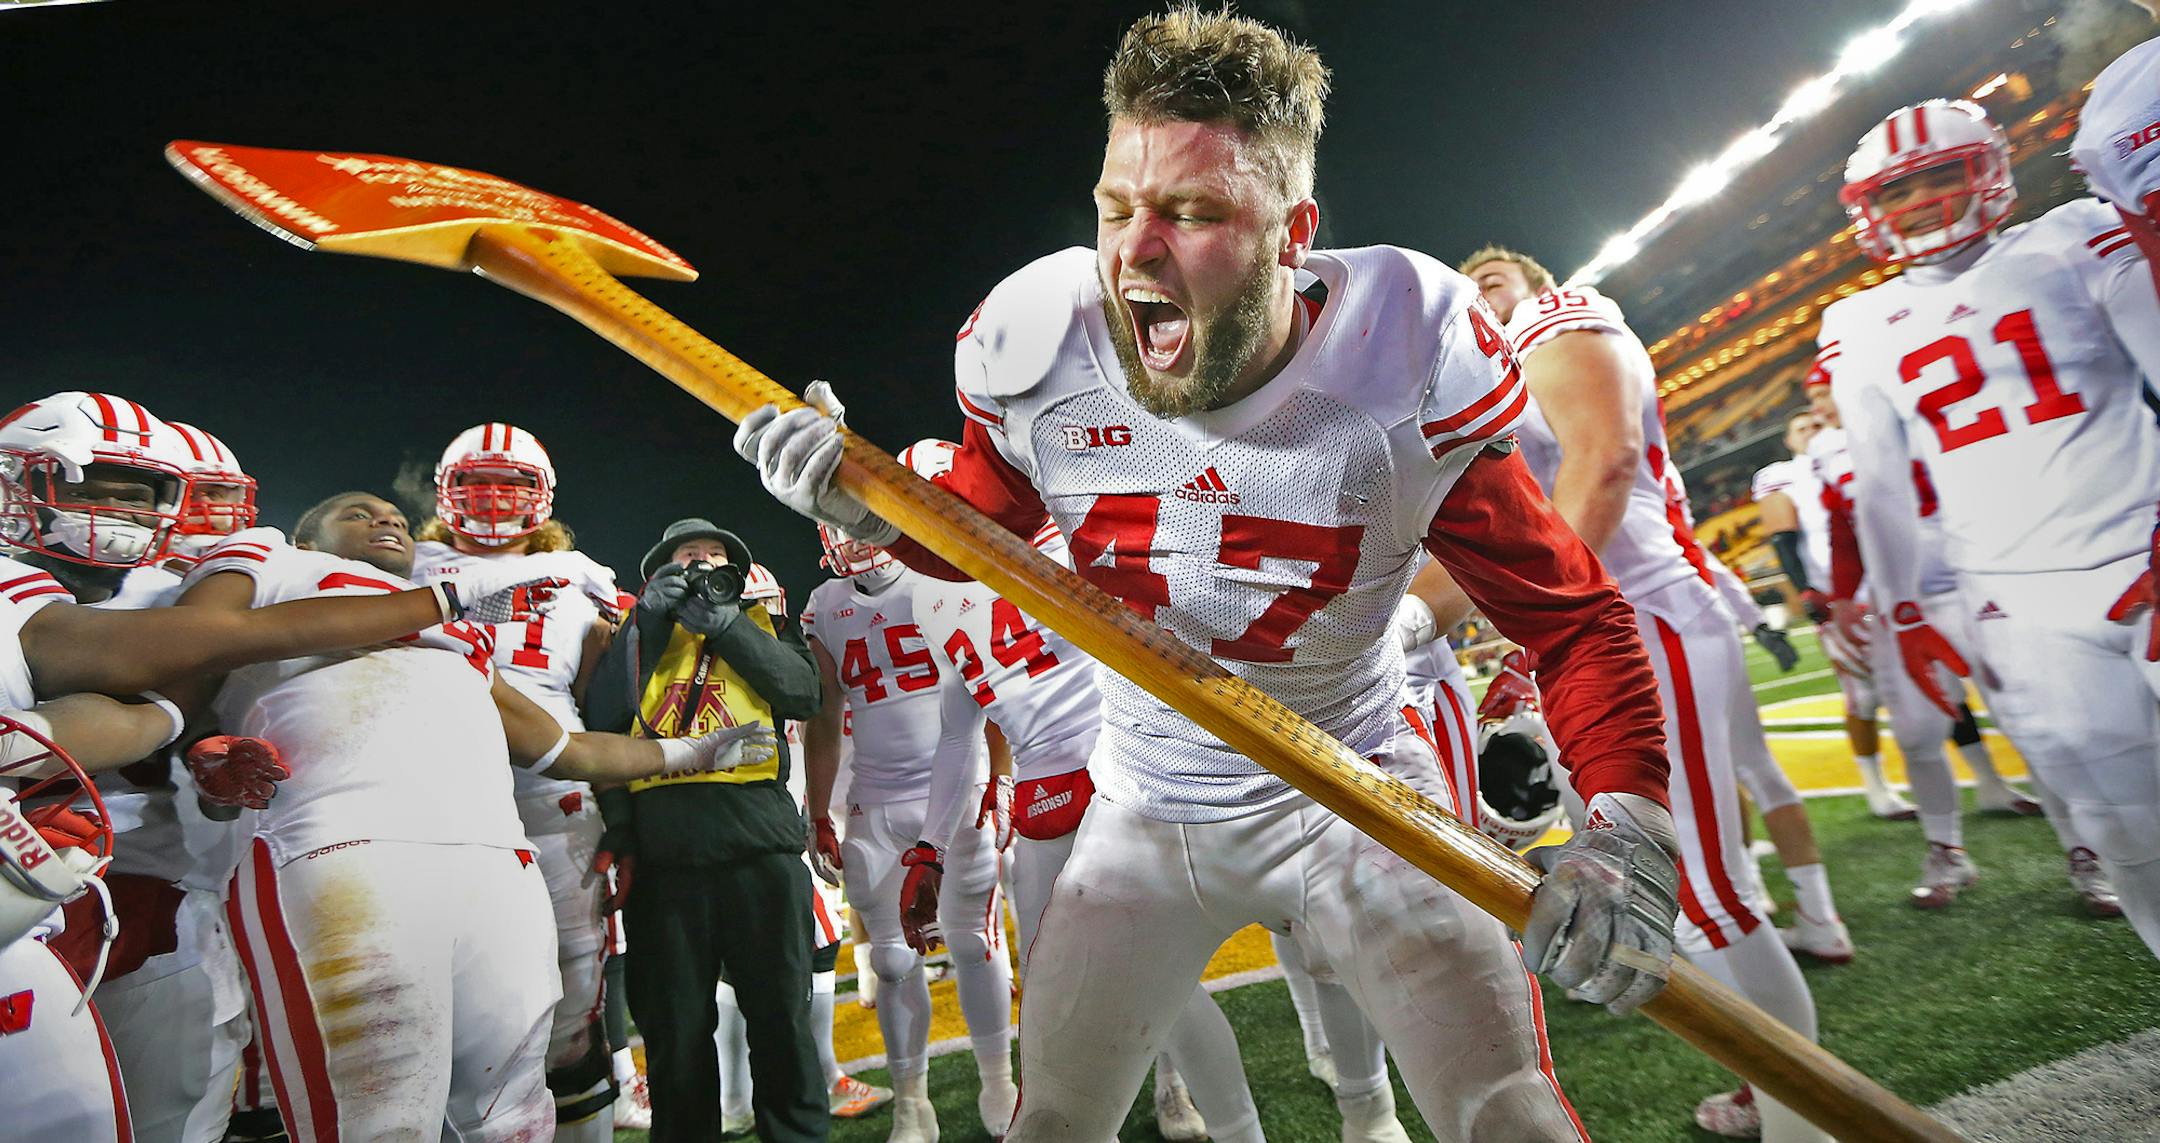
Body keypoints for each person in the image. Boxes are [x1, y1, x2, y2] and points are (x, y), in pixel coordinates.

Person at [739, 9, 1679, 1138]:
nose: (1136, 251)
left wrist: (1627, 831)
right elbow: (981, 529)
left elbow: (1573, 620)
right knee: (1052, 1125)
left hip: (1363, 787)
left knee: (1505, 1113)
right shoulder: (1039, 342)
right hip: (1144, 803)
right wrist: (872, 510)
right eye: (1117, 209)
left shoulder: (1402, 351)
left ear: (1294, 231)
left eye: (1191, 213)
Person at [168, 495, 769, 1143]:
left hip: (496, 864)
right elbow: (183, 649)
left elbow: (565, 749)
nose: (388, 520)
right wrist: (199, 739)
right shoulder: (274, 561)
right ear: (308, 540)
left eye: (396, 516)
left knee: (513, 1111)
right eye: (359, 513)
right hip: (346, 852)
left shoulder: (458, 626)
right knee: (378, 1118)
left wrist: (694, 750)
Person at [1459, 246, 1825, 1142]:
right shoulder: (1485, 372)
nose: (1481, 295)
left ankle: (1804, 1118)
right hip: (1608, 626)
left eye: (1496, 281)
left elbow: (1610, 458)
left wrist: (1536, 624)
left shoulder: (1562, 318)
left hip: (1636, 620)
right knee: (1658, 883)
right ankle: (1767, 1085)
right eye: (1469, 288)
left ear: (1537, 288)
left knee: (1701, 888)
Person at [1824, 99, 2160, 953]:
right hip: (2018, 600)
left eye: (1941, 174)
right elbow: (1884, 489)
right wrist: (1902, 612)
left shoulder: (2077, 236)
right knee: (2130, 834)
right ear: (1871, 210)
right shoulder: (1857, 324)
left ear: (1990, 170)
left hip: (2141, 548)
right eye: (1900, 190)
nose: (1924, 202)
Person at [896, 439, 1283, 1141]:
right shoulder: (925, 596)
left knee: (1159, 978)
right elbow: (960, 729)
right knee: (1062, 989)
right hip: (1043, 797)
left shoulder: (1057, 528)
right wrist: (931, 844)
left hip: (1121, 767)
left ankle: (1212, 1113)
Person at [409, 422, 626, 1141]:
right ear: (448, 491)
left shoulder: (580, 580)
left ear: (543, 496)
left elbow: (607, 702)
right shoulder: (403, 566)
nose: (495, 499)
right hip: (432, 802)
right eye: (478, 483)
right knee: (438, 996)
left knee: (570, 999)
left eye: (513, 484)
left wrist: (624, 821)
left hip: (555, 800)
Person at [584, 517, 828, 1142]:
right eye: (686, 556)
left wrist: (726, 624)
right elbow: (601, 714)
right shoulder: (632, 637)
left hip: (761, 850)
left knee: (781, 1024)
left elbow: (802, 693)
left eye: (713, 556)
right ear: (657, 575)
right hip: (666, 857)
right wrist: (646, 623)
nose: (700, 564)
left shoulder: (767, 626)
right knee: (676, 1035)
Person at [798, 511, 1016, 1142]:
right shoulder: (825, 606)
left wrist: (1000, 778)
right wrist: (818, 811)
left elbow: (989, 685)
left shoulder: (943, 581)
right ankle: (910, 1101)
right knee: (891, 960)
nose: (857, 538)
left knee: (974, 943)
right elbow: (824, 714)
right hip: (877, 794)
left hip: (957, 788)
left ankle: (998, 1080)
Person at [1754, 410, 1920, 820]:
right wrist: (1808, 591)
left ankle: (1985, 778)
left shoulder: (1856, 453)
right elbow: (1783, 536)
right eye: (1800, 427)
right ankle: (1877, 788)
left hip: (1898, 583)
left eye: (1815, 424)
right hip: (1840, 594)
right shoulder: (1781, 475)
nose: (1811, 430)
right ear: (1789, 442)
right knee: (1862, 696)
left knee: (1935, 681)